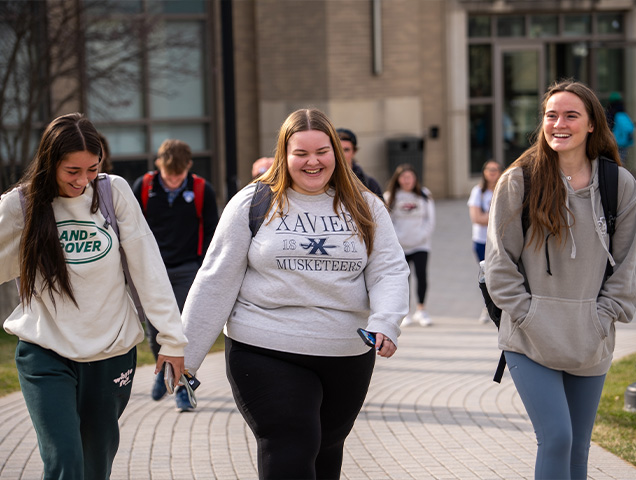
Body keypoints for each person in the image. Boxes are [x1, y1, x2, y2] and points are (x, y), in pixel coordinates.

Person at [182, 108, 409, 479]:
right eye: (300, 153)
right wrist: (186, 354)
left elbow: (388, 269)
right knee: (292, 443)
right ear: (283, 156)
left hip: (345, 352)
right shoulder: (253, 203)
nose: (312, 161)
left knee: (325, 452)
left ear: (336, 151)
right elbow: (216, 279)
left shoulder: (366, 205)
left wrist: (386, 321)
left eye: (321, 151)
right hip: (265, 348)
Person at [0, 113, 187, 479]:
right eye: (72, 170)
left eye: (91, 168)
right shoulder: (21, 205)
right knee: (65, 460)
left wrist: (171, 340)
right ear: (50, 162)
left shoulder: (111, 192)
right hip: (46, 352)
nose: (83, 180)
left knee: (95, 462)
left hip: (110, 353)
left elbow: (148, 267)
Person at [485, 80, 636, 479]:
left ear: (591, 125)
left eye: (571, 115)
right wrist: (529, 316)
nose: (558, 123)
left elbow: (627, 267)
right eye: (551, 115)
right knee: (556, 438)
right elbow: (499, 266)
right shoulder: (519, 181)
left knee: (578, 451)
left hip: (590, 338)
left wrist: (602, 317)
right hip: (529, 338)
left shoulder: (618, 185)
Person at [132, 139, 218, 411]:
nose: (172, 180)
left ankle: (180, 387)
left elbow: (213, 234)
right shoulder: (143, 187)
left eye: (178, 176)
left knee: (182, 330)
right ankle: (164, 372)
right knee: (156, 331)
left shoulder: (203, 190)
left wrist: (203, 267)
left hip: (186, 269)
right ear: (159, 165)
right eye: (169, 175)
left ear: (188, 167)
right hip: (151, 269)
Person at [384, 163, 435, 327]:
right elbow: (387, 222)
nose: (407, 181)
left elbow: (430, 220)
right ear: (397, 179)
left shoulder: (424, 195)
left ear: (415, 178)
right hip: (400, 247)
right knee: (403, 279)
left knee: (421, 276)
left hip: (421, 245)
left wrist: (421, 236)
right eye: (403, 177)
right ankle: (405, 313)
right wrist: (399, 240)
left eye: (410, 177)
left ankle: (422, 310)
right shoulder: (390, 196)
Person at [467, 160, 502, 323]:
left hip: (500, 240)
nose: (492, 173)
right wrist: (498, 217)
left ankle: (498, 306)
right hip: (482, 240)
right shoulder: (478, 192)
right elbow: (476, 218)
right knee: (486, 275)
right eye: (489, 170)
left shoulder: (504, 189)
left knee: (498, 273)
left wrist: (487, 217)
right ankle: (487, 306)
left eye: (495, 170)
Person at [336, 128, 384, 200]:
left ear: (354, 152)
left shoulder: (370, 184)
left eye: (346, 150)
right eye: (337, 149)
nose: (341, 154)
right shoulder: (322, 181)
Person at [606, 91, 634, 162]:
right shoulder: (623, 112)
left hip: (614, 140)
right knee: (621, 161)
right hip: (624, 142)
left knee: (613, 161)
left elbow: (609, 126)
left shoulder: (611, 112)